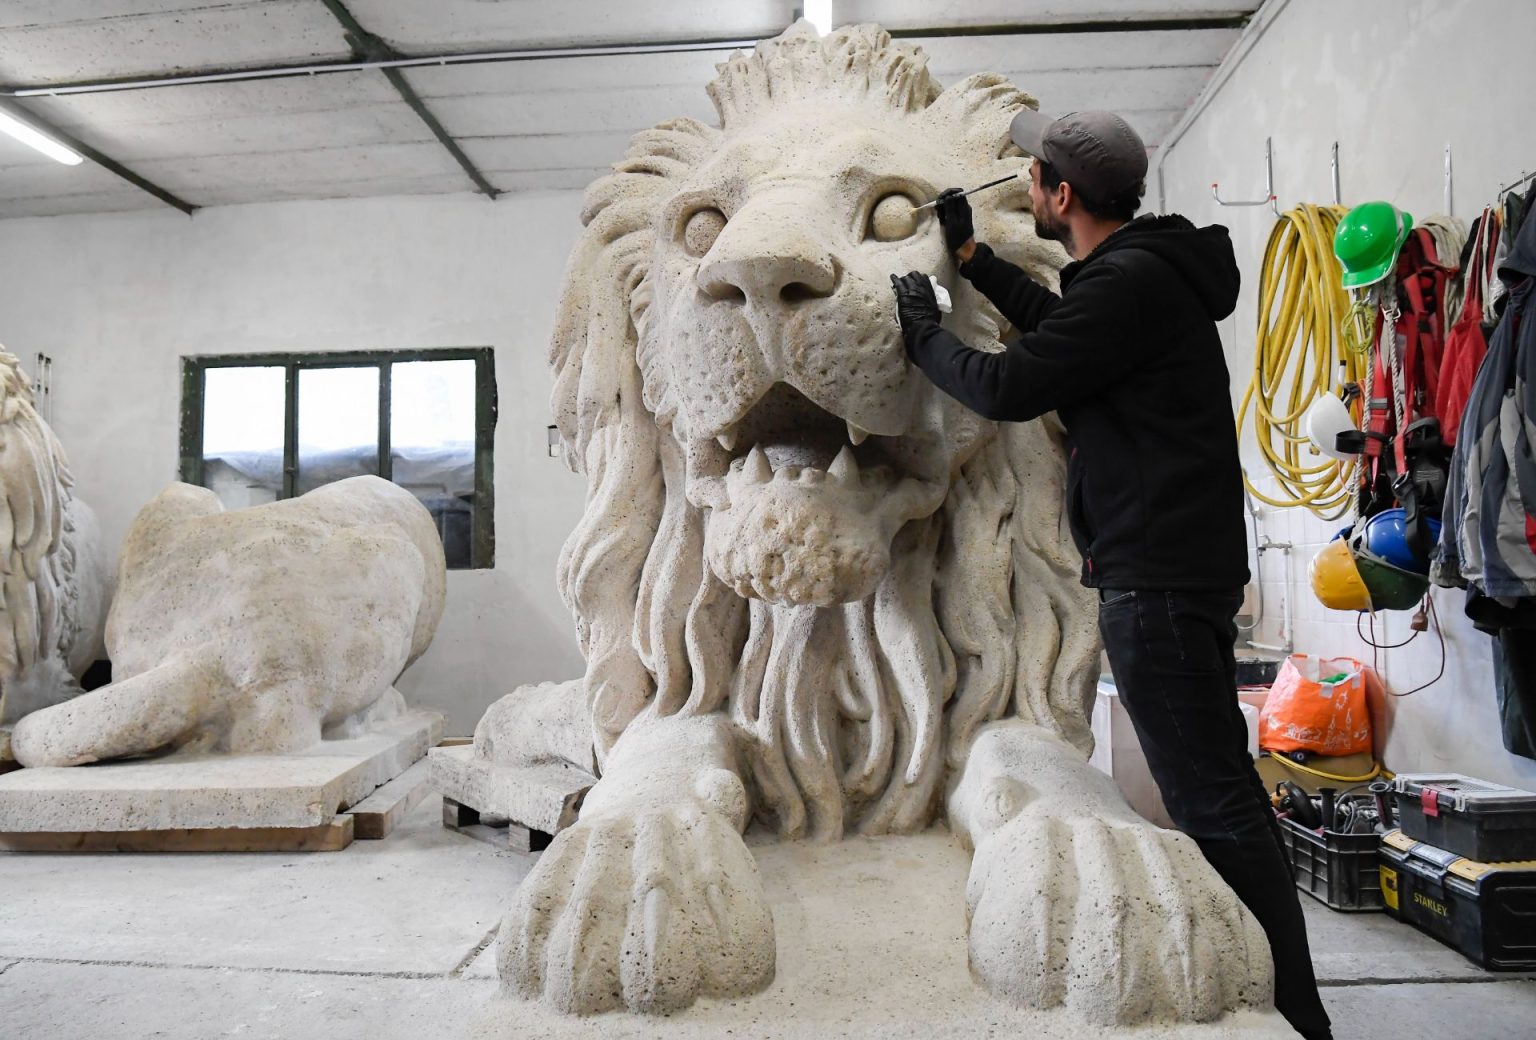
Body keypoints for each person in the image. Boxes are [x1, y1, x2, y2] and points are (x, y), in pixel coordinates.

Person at [890, 109, 1333, 1040]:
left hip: (1156, 583)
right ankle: (1288, 996)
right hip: (1184, 572)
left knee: (1213, 803)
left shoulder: (1126, 285)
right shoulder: (1148, 274)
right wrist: (973, 262)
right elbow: (1067, 332)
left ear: (1062, 196)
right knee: (1224, 791)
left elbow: (1010, 386)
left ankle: (1293, 1012)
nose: (1027, 183)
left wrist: (924, 333)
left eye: (1035, 173)